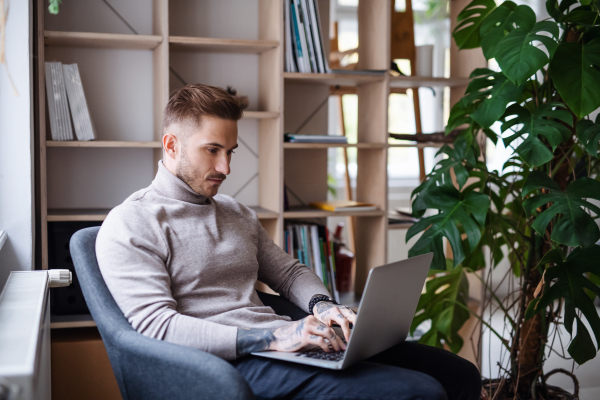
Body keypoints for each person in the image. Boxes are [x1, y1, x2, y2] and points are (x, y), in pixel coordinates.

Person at [96, 84, 481, 400]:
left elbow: (290, 273)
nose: (225, 168)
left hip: (285, 345)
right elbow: (157, 327)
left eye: (230, 152)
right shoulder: (132, 223)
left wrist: (324, 307)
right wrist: (272, 336)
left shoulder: (235, 212)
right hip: (223, 365)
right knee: (417, 392)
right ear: (172, 145)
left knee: (458, 374)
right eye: (212, 151)